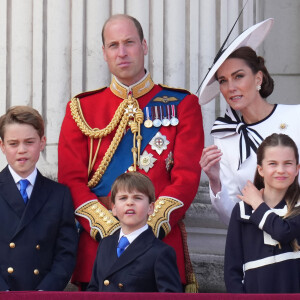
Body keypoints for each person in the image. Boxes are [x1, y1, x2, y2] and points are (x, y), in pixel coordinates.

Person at [58, 14, 204, 291]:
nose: (122, 52)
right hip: (99, 251)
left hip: (159, 245)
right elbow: (70, 180)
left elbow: (186, 176)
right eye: (113, 45)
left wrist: (145, 229)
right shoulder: (81, 109)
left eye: (129, 43)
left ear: (144, 46)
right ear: (104, 53)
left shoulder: (183, 104)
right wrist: (111, 230)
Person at [199, 18, 300, 225]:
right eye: (223, 81)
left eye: (238, 76)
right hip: (257, 244)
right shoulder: (225, 137)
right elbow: (230, 215)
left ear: (258, 79)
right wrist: (214, 181)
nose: (231, 87)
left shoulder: (296, 117)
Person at [0, 106, 78, 291]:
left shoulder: (59, 195)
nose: (21, 150)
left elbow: (66, 253)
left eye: (29, 142)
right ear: (2, 146)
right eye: (13, 143)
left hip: (43, 292)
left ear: (42, 143)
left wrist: (45, 293)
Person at [224, 133, 300, 293]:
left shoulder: (298, 207)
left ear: (297, 169)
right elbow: (232, 272)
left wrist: (258, 204)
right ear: (261, 169)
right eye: (273, 163)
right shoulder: (242, 211)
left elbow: (283, 232)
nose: (281, 170)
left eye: (288, 163)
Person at [87, 172, 182, 292]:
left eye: (137, 198)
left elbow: (170, 296)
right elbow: (93, 289)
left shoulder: (161, 252)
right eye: (123, 198)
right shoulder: (105, 244)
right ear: (114, 208)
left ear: (150, 208)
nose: (129, 203)